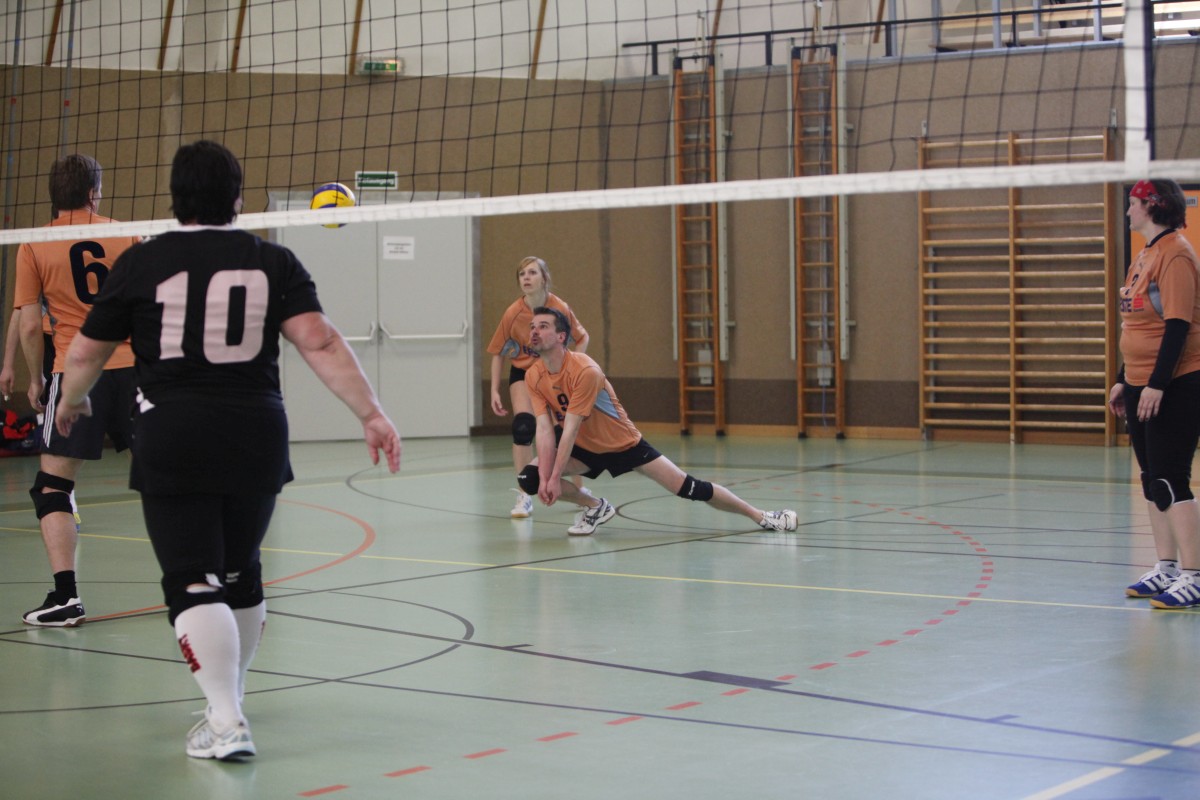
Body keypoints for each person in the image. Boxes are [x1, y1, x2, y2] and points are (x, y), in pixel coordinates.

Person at [55, 140, 401, 760]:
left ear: (175, 198)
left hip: (173, 432)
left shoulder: (142, 262)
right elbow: (320, 342)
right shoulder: (273, 260)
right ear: (237, 199)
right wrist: (371, 413)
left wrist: (72, 401)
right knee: (241, 574)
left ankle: (225, 717)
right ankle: (229, 703)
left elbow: (85, 352)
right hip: (256, 432)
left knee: (192, 578)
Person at [518, 306, 798, 536]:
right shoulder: (534, 375)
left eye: (543, 326)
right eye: (532, 326)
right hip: (584, 447)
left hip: (623, 444)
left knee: (689, 488)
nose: (534, 331)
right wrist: (546, 478)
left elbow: (570, 428)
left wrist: (554, 477)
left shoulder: (584, 370)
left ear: (562, 336)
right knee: (530, 477)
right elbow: (544, 429)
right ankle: (595, 505)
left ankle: (762, 516)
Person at [13, 154, 139, 626]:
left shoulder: (34, 243)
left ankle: (66, 596)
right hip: (134, 370)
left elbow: (30, 326)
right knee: (170, 475)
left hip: (75, 375)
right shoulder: (128, 234)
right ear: (92, 192)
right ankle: (209, 576)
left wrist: (36, 378)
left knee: (53, 487)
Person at [1108, 179, 1200, 609]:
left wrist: (1158, 384)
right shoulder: (1145, 253)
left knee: (1170, 476)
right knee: (1150, 478)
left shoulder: (1175, 254)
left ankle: (1194, 575)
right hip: (1141, 382)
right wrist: (1124, 378)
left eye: (1133, 203)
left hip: (1177, 384)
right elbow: (1139, 325)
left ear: (1153, 206)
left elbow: (1178, 325)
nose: (1128, 211)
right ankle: (1166, 567)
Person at [487, 256, 589, 518]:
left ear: (544, 278)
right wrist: (494, 389)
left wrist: (573, 368)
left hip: (553, 372)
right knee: (523, 426)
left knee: (563, 428)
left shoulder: (559, 308)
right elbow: (498, 351)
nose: (526, 278)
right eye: (522, 274)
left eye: (532, 272)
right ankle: (524, 495)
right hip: (524, 372)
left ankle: (579, 487)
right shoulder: (513, 313)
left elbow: (582, 337)